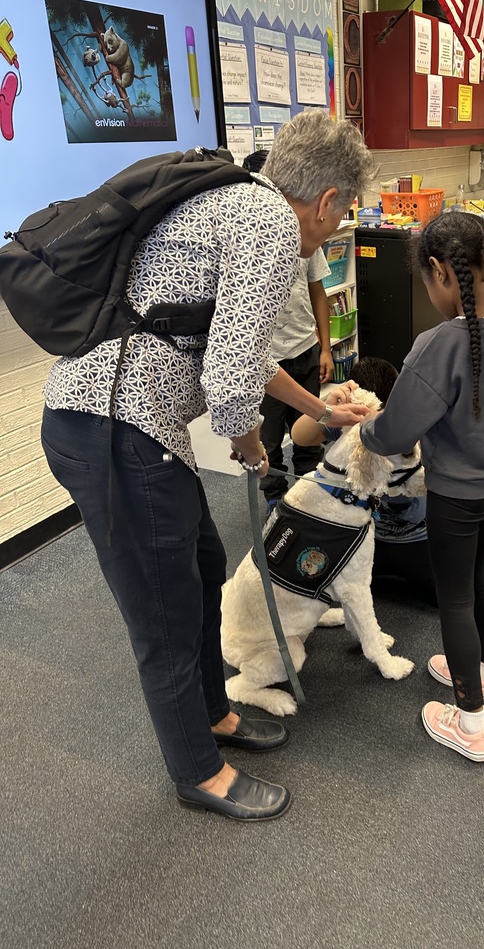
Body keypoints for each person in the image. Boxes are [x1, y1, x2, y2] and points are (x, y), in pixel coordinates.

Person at [40, 110, 376, 821]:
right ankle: (198, 771)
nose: (335, 228)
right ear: (328, 202)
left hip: (130, 426)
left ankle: (216, 716)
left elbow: (241, 353)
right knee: (164, 612)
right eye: (344, 214)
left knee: (198, 565)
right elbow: (230, 384)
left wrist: (319, 403)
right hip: (110, 433)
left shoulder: (239, 198)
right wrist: (252, 443)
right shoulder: (273, 227)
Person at [358, 212, 484, 763]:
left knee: (456, 598)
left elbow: (394, 432)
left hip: (456, 497)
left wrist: (362, 423)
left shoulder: (439, 345)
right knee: (481, 578)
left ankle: (470, 722)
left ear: (441, 271)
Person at [292, 356, 436, 605]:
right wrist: (328, 407)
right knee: (323, 591)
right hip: (363, 538)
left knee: (451, 596)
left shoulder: (411, 424)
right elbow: (299, 435)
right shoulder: (350, 423)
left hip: (416, 539)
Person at [243, 152, 335, 513]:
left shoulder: (303, 234)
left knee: (310, 432)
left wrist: (325, 347)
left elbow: (317, 290)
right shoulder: (249, 242)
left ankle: (311, 493)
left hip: (305, 348)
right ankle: (276, 502)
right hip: (266, 362)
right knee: (268, 438)